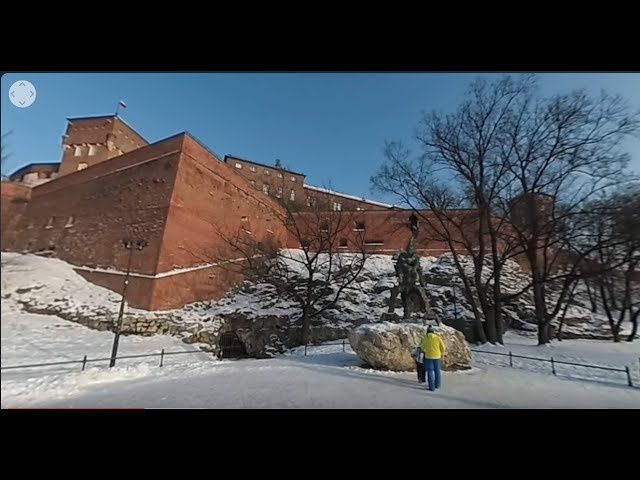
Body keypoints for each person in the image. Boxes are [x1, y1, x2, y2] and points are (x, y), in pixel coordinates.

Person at [419, 325, 446, 391]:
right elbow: (443, 348)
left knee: (430, 371)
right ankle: (437, 384)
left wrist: (426, 351)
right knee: (437, 371)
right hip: (437, 357)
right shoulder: (437, 338)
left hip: (428, 357)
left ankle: (431, 387)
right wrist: (440, 352)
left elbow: (422, 347)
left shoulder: (425, 338)